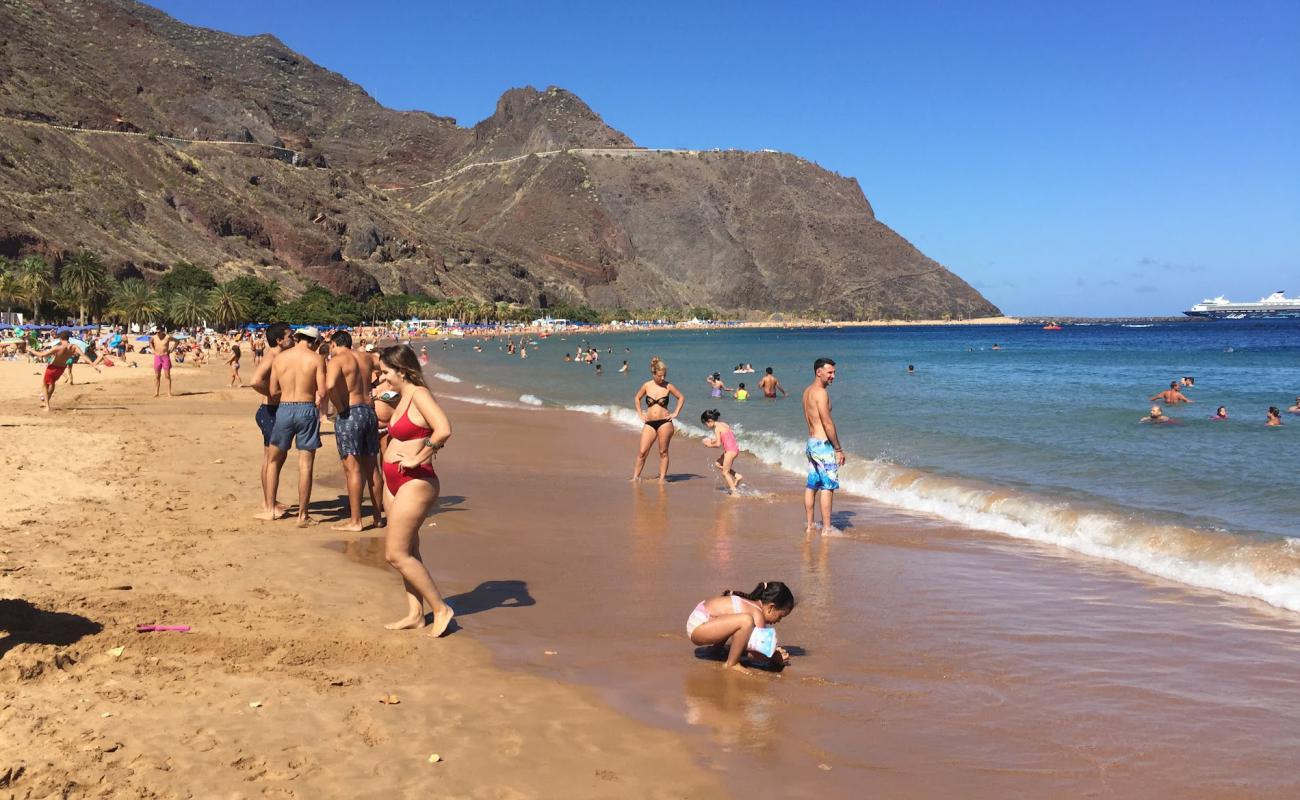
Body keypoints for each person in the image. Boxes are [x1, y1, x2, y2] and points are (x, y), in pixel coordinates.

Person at [376, 344, 455, 638]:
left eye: (386, 372)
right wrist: (379, 390)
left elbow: (443, 429)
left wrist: (418, 457)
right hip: (394, 481)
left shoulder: (420, 394)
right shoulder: (402, 395)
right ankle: (414, 614)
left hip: (416, 480)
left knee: (395, 554)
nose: (383, 377)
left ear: (402, 371)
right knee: (410, 550)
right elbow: (383, 409)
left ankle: (441, 609)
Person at [262, 327, 327, 526]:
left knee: (273, 461)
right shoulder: (316, 359)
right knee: (305, 464)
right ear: (314, 342)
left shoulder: (279, 359)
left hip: (284, 408)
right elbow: (323, 392)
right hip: (306, 408)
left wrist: (289, 392)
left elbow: (272, 390)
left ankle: (270, 508)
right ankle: (302, 515)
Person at [327, 330, 383, 531]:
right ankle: (377, 518)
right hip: (369, 411)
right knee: (373, 468)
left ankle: (356, 521)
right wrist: (376, 386)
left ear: (334, 344)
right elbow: (386, 365)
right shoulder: (366, 357)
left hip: (350, 413)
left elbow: (329, 385)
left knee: (353, 469)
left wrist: (339, 407)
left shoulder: (338, 359)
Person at [685, 581, 794, 673]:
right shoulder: (757, 614)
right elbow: (754, 655)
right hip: (698, 628)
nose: (779, 621)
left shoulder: (750, 603)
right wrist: (774, 656)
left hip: (698, 620)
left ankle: (716, 650)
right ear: (771, 607)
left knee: (737, 622)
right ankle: (732, 663)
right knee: (745, 621)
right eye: (780, 616)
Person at [250, 323, 294, 519]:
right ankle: (269, 505)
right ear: (279, 340)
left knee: (271, 458)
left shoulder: (279, 356)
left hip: (271, 410)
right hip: (270, 410)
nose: (292, 339)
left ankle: (269, 500)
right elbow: (255, 381)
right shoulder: (272, 357)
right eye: (289, 336)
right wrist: (272, 395)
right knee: (273, 459)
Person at [802, 357, 844, 534]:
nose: (833, 376)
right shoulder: (821, 393)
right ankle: (827, 529)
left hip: (811, 443)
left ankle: (810, 525)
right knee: (827, 486)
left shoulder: (807, 392)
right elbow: (827, 423)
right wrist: (838, 449)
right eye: (830, 372)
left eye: (834, 372)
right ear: (819, 372)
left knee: (812, 485)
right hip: (823, 445)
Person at [633, 357, 685, 483]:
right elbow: (637, 398)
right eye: (660, 376)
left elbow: (681, 397)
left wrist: (675, 413)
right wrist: (640, 413)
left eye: (664, 375)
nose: (662, 378)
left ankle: (662, 479)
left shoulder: (668, 386)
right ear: (654, 373)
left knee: (663, 452)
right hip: (649, 423)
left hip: (664, 423)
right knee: (642, 451)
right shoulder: (646, 385)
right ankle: (635, 477)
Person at [33, 330, 96, 411]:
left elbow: (41, 355)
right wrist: (93, 365)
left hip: (52, 367)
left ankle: (47, 406)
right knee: (52, 384)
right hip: (61, 369)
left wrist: (31, 350)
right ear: (68, 338)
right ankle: (46, 402)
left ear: (60, 338)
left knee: (45, 385)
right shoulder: (74, 347)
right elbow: (83, 356)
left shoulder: (58, 347)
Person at [701, 409, 743, 494]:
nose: (707, 426)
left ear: (710, 421)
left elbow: (718, 444)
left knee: (725, 473)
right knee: (718, 464)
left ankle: (734, 492)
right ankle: (737, 476)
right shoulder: (723, 424)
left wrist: (709, 445)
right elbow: (724, 437)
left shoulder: (716, 428)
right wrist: (711, 440)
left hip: (730, 451)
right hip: (735, 449)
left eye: (706, 424)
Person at [150, 326, 175, 397]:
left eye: (159, 332)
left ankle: (169, 392)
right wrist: (153, 349)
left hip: (165, 357)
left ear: (162, 331)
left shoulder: (167, 337)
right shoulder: (154, 337)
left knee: (167, 376)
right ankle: (156, 392)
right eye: (156, 332)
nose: (157, 333)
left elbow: (177, 341)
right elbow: (150, 342)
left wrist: (172, 349)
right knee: (157, 376)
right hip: (157, 357)